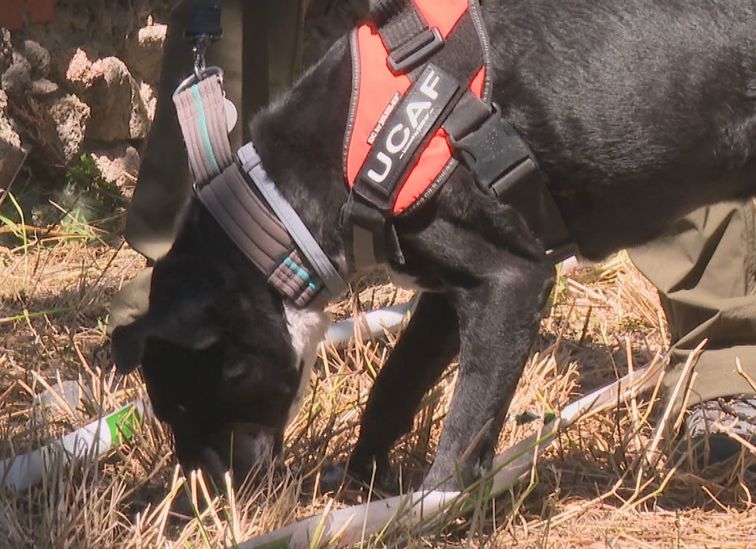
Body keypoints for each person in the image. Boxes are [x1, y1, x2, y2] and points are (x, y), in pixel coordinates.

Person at [113, 0, 756, 471]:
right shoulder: (357, 172)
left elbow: (510, 278)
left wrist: (447, 487)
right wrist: (372, 450)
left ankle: (726, 364)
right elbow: (467, 276)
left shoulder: (370, 169)